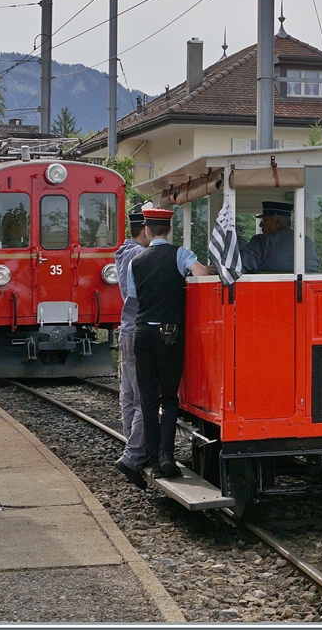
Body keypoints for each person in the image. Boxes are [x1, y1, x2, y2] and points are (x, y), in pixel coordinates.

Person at [131, 207, 211, 478]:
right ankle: (167, 456)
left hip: (141, 333)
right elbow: (199, 274)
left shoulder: (137, 261)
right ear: (169, 230)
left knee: (148, 399)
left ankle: (153, 460)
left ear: (147, 231)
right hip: (169, 334)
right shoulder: (179, 253)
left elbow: (133, 296)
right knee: (169, 397)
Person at [112, 204, 151, 488]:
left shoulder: (123, 251)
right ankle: (133, 456)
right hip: (138, 327)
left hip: (126, 328)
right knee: (143, 397)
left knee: (128, 394)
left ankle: (131, 444)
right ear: (147, 229)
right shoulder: (140, 255)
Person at [241, 201, 318, 273]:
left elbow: (238, 267)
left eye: (264, 221)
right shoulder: (306, 242)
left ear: (277, 222)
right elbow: (312, 272)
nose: (260, 225)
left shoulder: (262, 242)